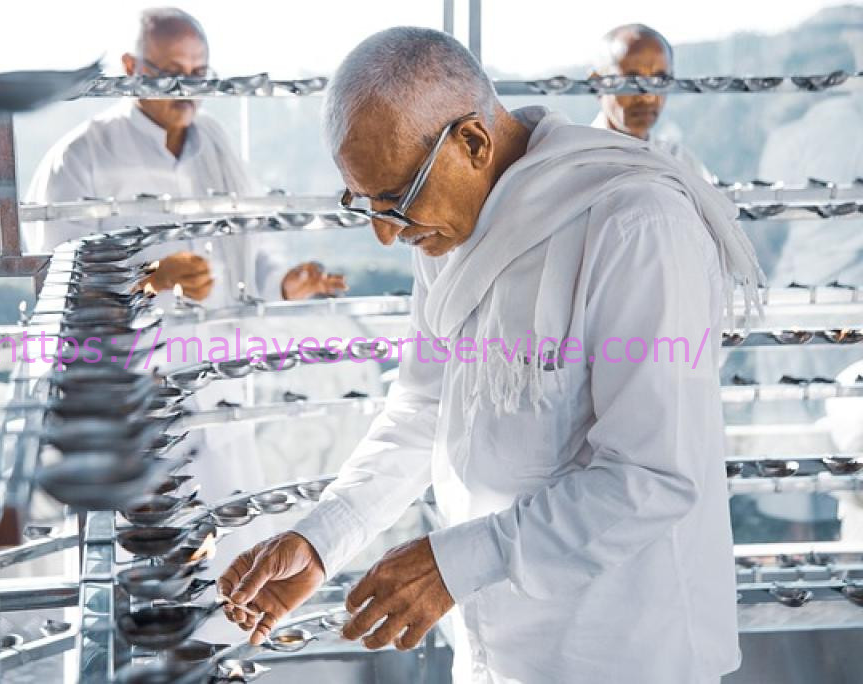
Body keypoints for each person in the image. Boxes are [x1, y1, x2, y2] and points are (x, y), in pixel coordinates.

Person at [218, 27, 762, 683]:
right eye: (364, 205)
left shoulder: (634, 223)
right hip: (492, 649)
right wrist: (322, 537)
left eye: (394, 199)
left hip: (619, 652)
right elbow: (423, 410)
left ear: (472, 142)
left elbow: (650, 478)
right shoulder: (441, 230)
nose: (387, 234)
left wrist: (457, 563)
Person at [24, 7, 346, 305]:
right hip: (131, 361)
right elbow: (62, 280)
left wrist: (284, 283)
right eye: (172, 74)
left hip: (222, 352)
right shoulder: (80, 157)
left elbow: (253, 242)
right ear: (131, 67)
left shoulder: (216, 142)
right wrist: (152, 276)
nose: (187, 89)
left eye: (198, 74)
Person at [590, 23, 717, 184]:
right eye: (632, 81)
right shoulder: (572, 162)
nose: (648, 97)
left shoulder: (681, 163)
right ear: (596, 83)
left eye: (659, 81)